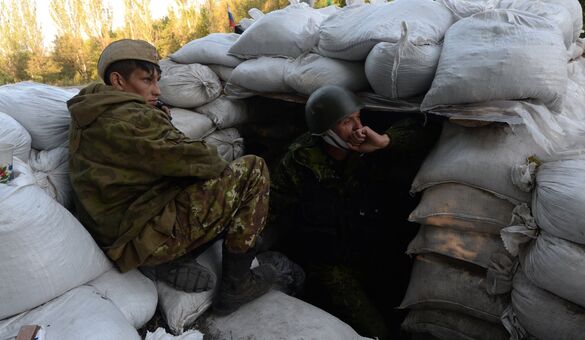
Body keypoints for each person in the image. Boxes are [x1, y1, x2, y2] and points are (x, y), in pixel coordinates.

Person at [67, 39, 275, 315]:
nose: (156, 90)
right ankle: (237, 285)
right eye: (146, 81)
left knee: (197, 184)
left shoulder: (94, 109)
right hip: (141, 237)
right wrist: (161, 122)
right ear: (117, 80)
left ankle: (174, 260)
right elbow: (204, 161)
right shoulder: (130, 118)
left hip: (126, 227)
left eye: (157, 80)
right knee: (252, 170)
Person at [266, 85, 441, 338]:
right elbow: (273, 203)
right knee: (377, 331)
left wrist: (385, 142)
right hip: (332, 266)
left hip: (374, 252)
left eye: (358, 117)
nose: (357, 127)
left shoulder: (369, 146)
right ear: (325, 130)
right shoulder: (300, 160)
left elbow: (425, 131)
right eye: (346, 122)